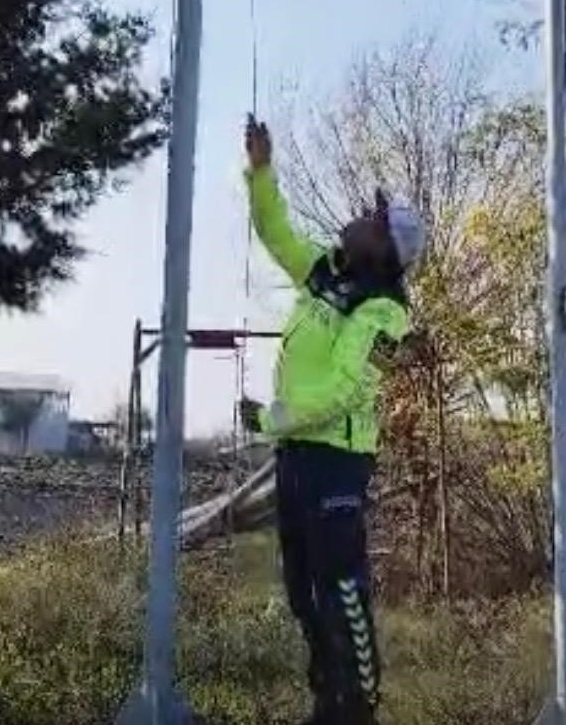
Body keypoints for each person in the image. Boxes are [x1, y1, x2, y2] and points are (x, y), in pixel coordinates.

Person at [240, 116, 426, 725]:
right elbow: (274, 231)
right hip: (296, 455)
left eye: (374, 220)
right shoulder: (323, 269)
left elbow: (348, 389)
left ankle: (360, 707)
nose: (359, 218)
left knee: (340, 586)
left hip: (337, 462)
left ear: (385, 249)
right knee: (302, 592)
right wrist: (261, 169)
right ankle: (328, 703)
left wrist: (274, 417)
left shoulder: (385, 313)